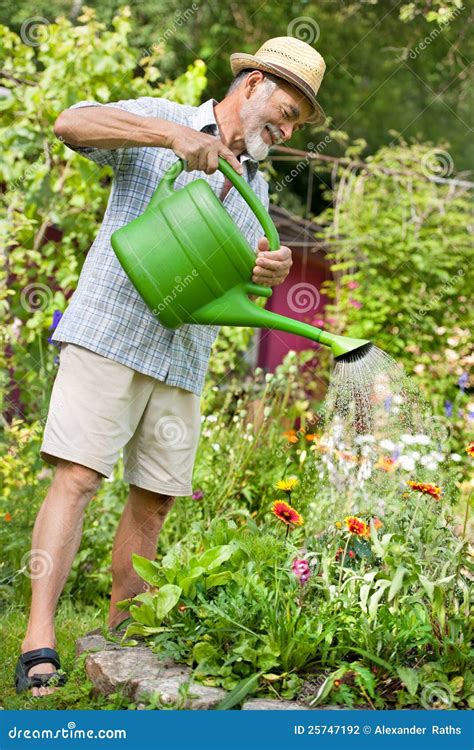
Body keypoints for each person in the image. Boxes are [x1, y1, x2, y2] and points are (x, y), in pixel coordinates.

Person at [15, 36, 326, 696]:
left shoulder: (259, 185)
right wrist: (166, 136)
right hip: (112, 328)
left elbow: (230, 293)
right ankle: (37, 637)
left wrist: (263, 276)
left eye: (297, 119)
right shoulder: (167, 117)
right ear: (251, 86)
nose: (288, 126)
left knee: (155, 499)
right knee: (77, 476)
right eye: (287, 109)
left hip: (182, 353)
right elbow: (70, 122)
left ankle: (121, 639)